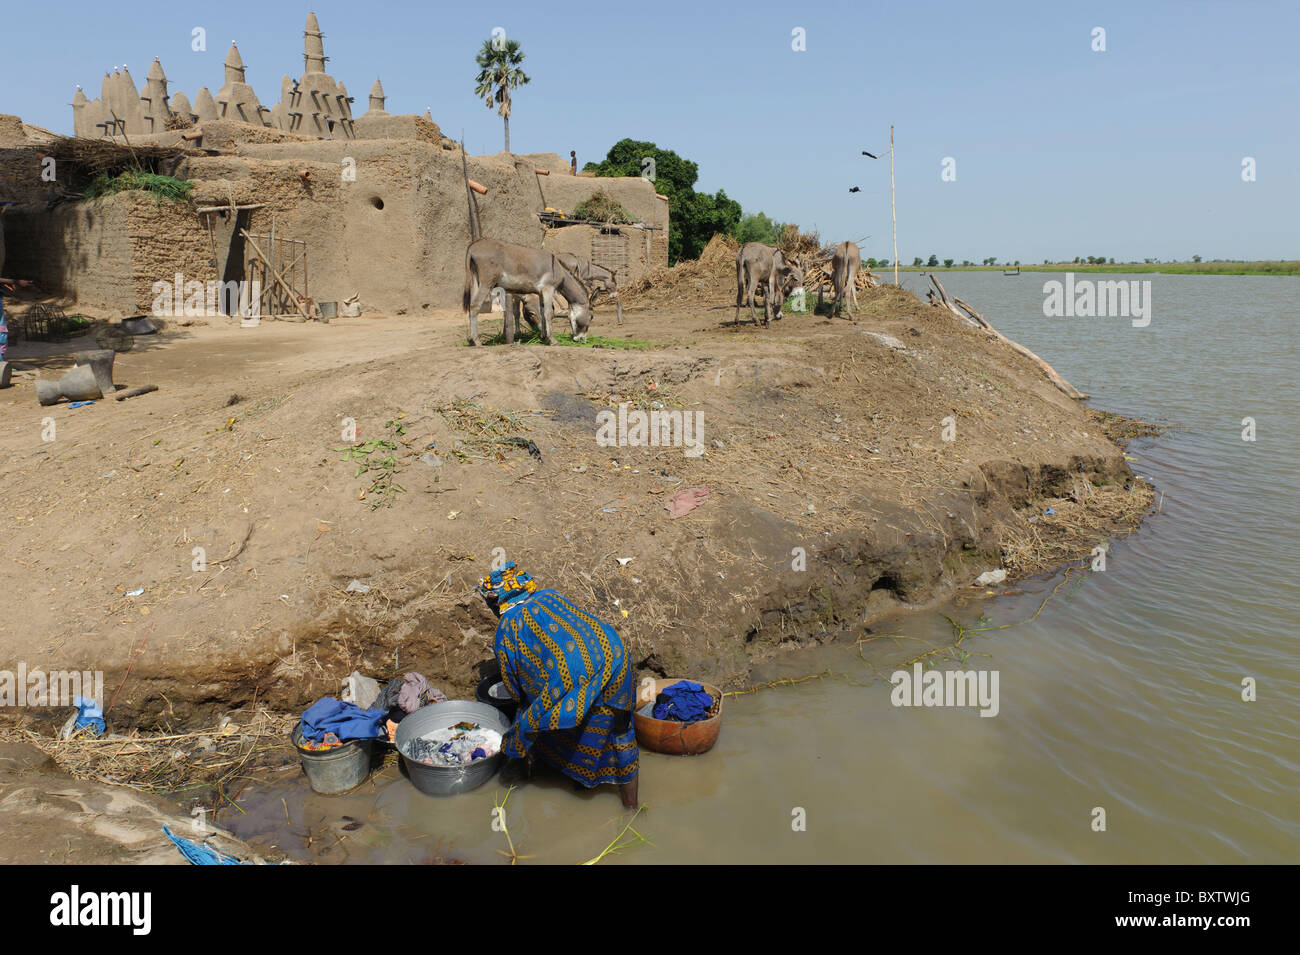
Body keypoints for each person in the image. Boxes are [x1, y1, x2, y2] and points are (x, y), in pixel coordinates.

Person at [478, 562, 639, 808]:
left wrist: (523, 711)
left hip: (574, 670)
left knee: (529, 723)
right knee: (620, 731)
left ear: (495, 603)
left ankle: (526, 774)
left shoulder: (507, 625)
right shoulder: (550, 595)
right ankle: (632, 810)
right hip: (615, 654)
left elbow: (514, 686)